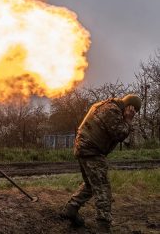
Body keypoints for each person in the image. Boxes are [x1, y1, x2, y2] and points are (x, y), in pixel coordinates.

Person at [60, 94, 141, 233]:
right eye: (134, 111)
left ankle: (71, 209)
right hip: (92, 151)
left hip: (84, 148)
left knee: (91, 184)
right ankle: (103, 226)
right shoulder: (113, 110)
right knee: (103, 188)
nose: (133, 113)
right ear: (130, 107)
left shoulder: (104, 104)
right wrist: (128, 120)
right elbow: (120, 134)